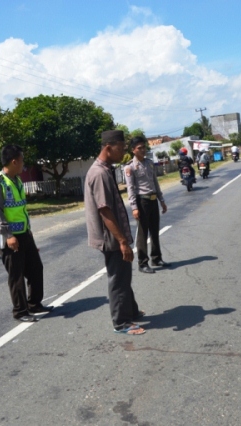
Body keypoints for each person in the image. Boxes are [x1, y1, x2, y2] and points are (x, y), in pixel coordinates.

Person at [85, 130, 145, 335]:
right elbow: (105, 210)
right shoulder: (100, 173)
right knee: (118, 277)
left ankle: (131, 311)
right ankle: (122, 322)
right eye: (120, 149)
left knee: (124, 273)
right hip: (110, 237)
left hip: (113, 235)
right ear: (108, 148)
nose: (123, 153)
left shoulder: (106, 169)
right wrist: (122, 241)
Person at [0, 145, 53, 322]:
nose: (23, 164)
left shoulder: (16, 180)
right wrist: (8, 235)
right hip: (10, 237)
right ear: (14, 161)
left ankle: (34, 304)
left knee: (35, 268)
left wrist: (29, 233)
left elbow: (20, 209)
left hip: (24, 233)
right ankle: (21, 311)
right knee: (16, 276)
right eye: (22, 160)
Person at [124, 135, 169, 274]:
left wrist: (161, 200)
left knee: (155, 230)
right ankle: (143, 263)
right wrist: (134, 208)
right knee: (143, 233)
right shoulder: (130, 167)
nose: (143, 150)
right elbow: (130, 188)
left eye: (144, 147)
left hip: (153, 199)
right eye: (139, 148)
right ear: (133, 150)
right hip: (142, 201)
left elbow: (155, 183)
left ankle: (156, 258)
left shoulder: (149, 163)